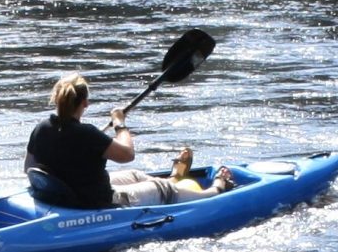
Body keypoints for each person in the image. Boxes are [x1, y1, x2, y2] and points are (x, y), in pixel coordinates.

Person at [25, 75, 234, 207]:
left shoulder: (41, 128)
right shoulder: (87, 134)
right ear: (85, 103)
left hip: (64, 193)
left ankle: (173, 178)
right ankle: (215, 190)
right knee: (160, 190)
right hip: (94, 201)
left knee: (134, 175)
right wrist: (119, 123)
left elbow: (29, 168)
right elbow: (127, 154)